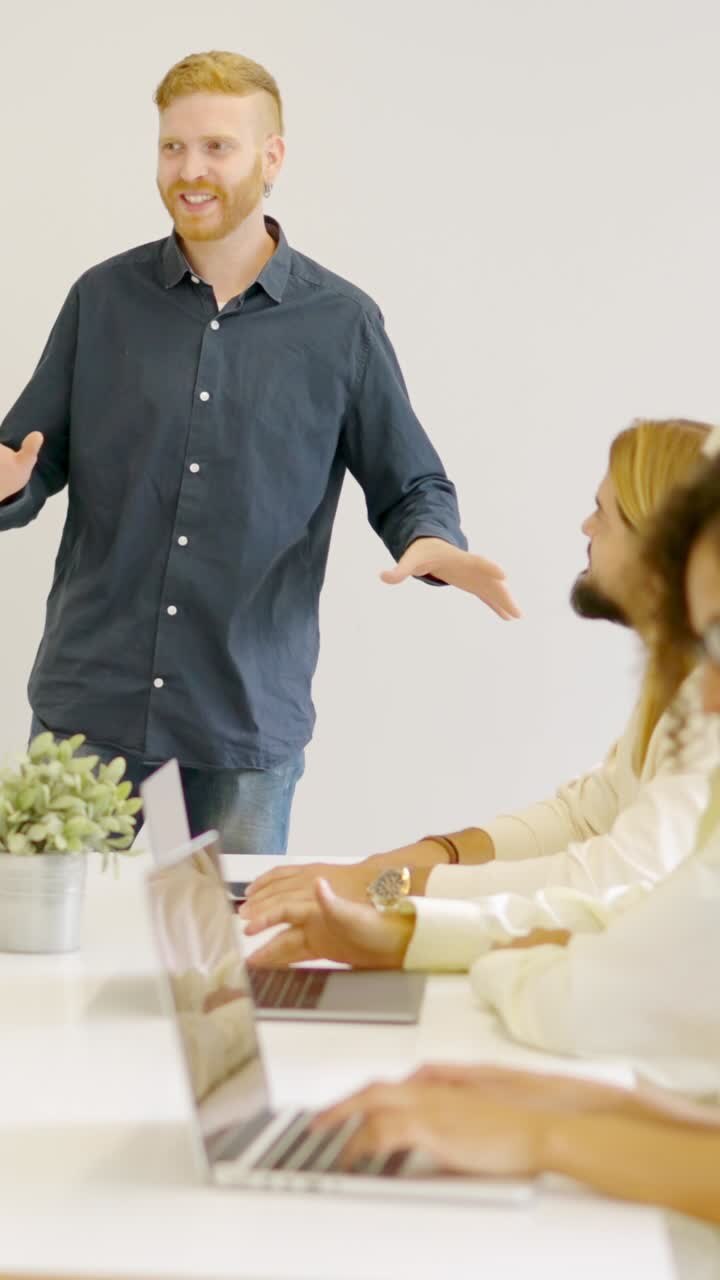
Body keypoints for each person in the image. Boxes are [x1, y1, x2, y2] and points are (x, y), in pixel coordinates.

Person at [0, 50, 519, 855]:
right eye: (173, 147)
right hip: (86, 714)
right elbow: (30, 457)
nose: (190, 170)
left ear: (271, 158)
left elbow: (409, 478)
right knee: (43, 958)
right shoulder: (101, 300)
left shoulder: (340, 324)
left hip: (239, 729)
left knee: (219, 974)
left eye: (217, 147)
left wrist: (432, 543)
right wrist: (7, 487)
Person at [243, 418, 720, 950]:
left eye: (604, 515)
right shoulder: (678, 679)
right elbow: (583, 818)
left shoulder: (707, 699)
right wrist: (399, 865)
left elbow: (614, 876)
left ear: (659, 545)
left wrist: (390, 893)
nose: (586, 526)